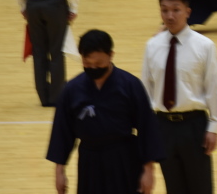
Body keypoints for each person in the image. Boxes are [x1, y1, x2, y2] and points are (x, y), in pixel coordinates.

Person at [47, 30, 164, 194]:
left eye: (99, 63)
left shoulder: (130, 85)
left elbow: (147, 127)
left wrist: (149, 170)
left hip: (123, 159)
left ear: (111, 55)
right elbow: (62, 131)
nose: (93, 67)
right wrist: (59, 171)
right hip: (89, 161)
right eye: (87, 63)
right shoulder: (72, 89)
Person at [141, 0, 217, 194]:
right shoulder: (152, 46)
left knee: (200, 187)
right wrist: (147, 131)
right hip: (163, 127)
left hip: (194, 126)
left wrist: (214, 127)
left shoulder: (205, 46)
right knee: (173, 187)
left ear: (188, 11)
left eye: (176, 10)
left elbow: (213, 87)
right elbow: (146, 90)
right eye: (164, 10)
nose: (170, 16)